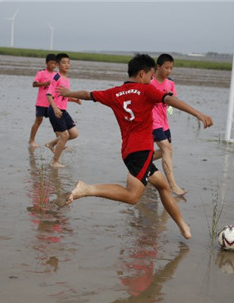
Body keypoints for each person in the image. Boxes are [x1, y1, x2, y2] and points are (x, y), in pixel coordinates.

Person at [59, 54, 213, 239]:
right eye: (150, 76)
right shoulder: (146, 90)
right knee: (132, 197)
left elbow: (87, 94)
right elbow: (170, 100)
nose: (151, 80)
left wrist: (68, 94)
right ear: (142, 73)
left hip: (130, 151)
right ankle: (87, 189)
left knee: (163, 186)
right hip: (141, 151)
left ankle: (183, 226)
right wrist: (198, 114)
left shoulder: (114, 92)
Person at [151, 53, 185, 196]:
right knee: (166, 149)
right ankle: (172, 185)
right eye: (166, 68)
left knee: (168, 150)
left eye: (171, 68)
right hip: (152, 121)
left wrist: (171, 96)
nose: (169, 71)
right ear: (158, 67)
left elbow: (175, 101)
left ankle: (141, 161)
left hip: (164, 122)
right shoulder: (149, 81)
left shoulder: (170, 83)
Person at [44, 53, 81, 168]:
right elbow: (49, 94)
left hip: (63, 110)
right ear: (58, 64)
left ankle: (51, 143)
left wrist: (73, 100)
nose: (67, 65)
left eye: (68, 62)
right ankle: (54, 161)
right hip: (55, 109)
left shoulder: (66, 79)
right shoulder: (57, 77)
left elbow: (62, 96)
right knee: (64, 136)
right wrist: (55, 109)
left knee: (74, 134)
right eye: (64, 63)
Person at [28, 53, 57, 148]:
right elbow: (34, 84)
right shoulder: (41, 73)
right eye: (51, 63)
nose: (53, 65)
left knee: (56, 122)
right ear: (46, 63)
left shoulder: (56, 75)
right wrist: (45, 83)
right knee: (38, 120)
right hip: (41, 102)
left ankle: (59, 142)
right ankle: (31, 140)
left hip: (52, 103)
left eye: (55, 63)